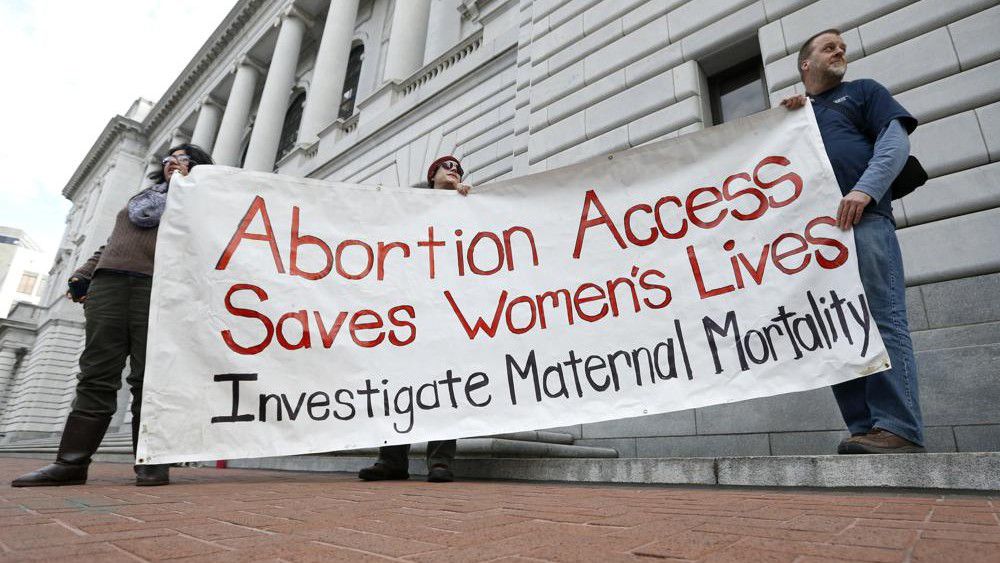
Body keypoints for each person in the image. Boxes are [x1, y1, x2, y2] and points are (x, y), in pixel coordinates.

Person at [11, 144, 215, 487]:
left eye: (184, 159)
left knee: (149, 377)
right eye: (170, 158)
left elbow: (198, 237)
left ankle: (151, 462)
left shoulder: (201, 200)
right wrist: (85, 272)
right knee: (96, 374)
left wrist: (184, 189)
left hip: (157, 289)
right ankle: (70, 464)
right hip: (109, 286)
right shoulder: (142, 198)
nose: (173, 163)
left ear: (198, 167)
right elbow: (114, 242)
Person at [782, 29, 924, 454]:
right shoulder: (798, 112)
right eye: (829, 47)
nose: (840, 50)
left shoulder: (863, 92)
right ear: (806, 64)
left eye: (842, 46)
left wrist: (866, 189)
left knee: (881, 319)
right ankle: (864, 427)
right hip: (814, 240)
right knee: (834, 327)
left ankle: (898, 426)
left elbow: (895, 140)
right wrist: (785, 121)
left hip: (862, 224)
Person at [358, 155, 471, 483]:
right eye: (447, 167)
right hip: (407, 307)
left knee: (446, 382)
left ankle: (441, 462)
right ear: (432, 174)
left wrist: (467, 202)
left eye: (458, 169)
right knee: (398, 381)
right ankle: (391, 459)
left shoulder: (466, 206)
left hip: (447, 308)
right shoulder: (407, 206)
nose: (454, 171)